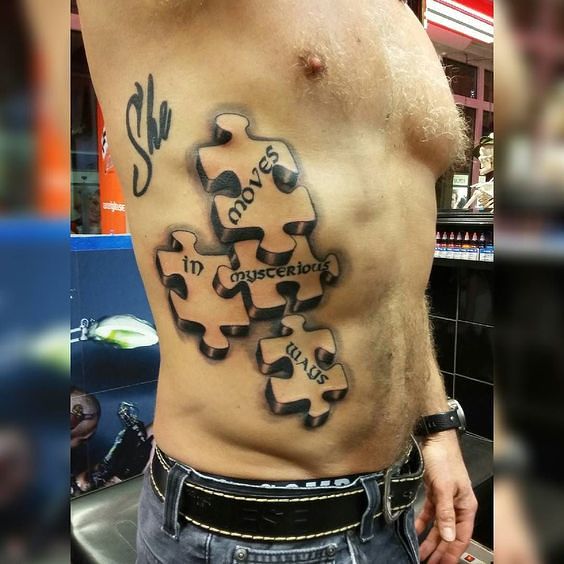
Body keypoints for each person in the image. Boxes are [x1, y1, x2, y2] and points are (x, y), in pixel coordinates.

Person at [77, 1, 477, 562]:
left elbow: (394, 282)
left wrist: (435, 425)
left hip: (396, 508)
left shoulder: (402, 23)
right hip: (245, 532)